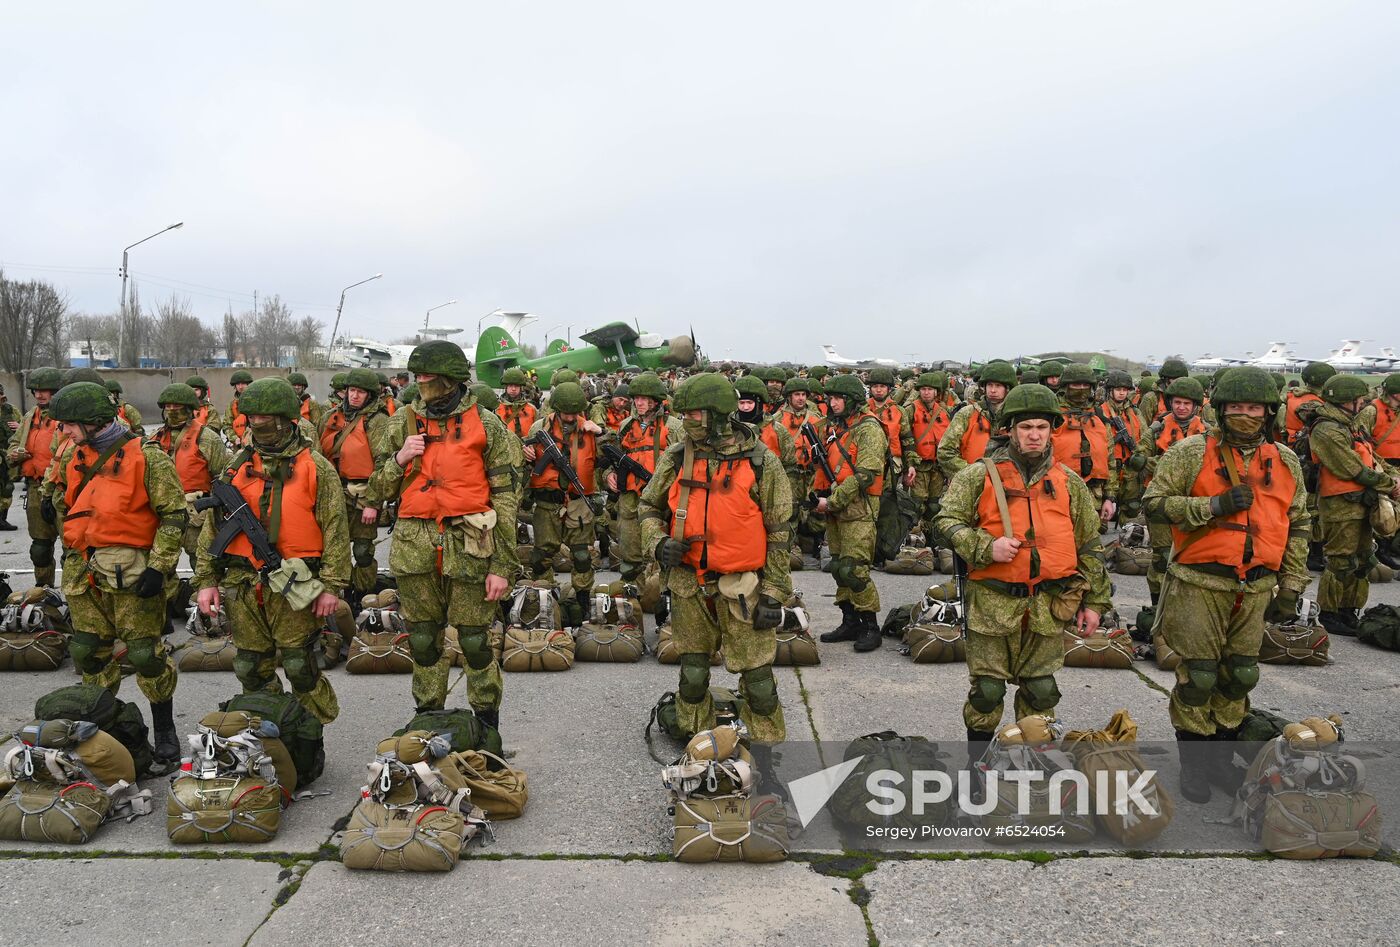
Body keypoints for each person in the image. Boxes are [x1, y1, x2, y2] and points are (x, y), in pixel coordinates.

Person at [1142, 367, 1309, 802]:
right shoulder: (1190, 452)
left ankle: (1221, 758)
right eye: (1236, 407)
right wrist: (1211, 505)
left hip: (1255, 587)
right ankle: (1194, 765)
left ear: (1269, 412)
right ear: (1220, 410)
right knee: (1198, 677)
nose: (1245, 415)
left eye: (1254, 408)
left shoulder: (1286, 460)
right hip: (1200, 581)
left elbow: (1299, 523)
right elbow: (1155, 505)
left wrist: (1290, 585)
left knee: (1240, 675)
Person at [936, 384, 1111, 740]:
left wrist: (1095, 603)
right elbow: (945, 521)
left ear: (1051, 431)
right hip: (991, 603)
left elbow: (1090, 546)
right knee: (987, 693)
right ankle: (977, 769)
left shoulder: (1069, 483)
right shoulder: (979, 475)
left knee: (1041, 692)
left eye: (1042, 428)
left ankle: (1030, 764)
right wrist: (984, 547)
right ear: (1010, 430)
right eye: (1026, 427)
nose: (1034, 435)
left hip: (1049, 605)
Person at [367, 341, 518, 724]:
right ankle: (428, 718)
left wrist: (502, 566)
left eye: (428, 377)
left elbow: (506, 500)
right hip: (414, 543)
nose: (421, 384)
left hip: (471, 542)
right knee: (423, 640)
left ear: (450, 379)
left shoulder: (486, 423)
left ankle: (486, 724)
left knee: (474, 641)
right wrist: (401, 458)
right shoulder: (401, 421)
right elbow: (377, 488)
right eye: (417, 377)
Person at [638, 374, 792, 747]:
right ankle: (698, 748)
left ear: (718, 415)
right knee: (692, 675)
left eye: (694, 413)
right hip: (689, 583)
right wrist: (658, 543)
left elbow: (780, 529)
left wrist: (774, 591)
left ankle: (768, 753)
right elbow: (647, 506)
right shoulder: (677, 457)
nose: (687, 420)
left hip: (743, 585)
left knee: (758, 681)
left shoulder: (761, 461)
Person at [195, 378, 346, 725]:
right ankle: (267, 728)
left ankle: (308, 735)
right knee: (250, 665)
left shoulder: (316, 468)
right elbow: (212, 530)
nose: (258, 425)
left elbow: (336, 531)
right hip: (241, 582)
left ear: (287, 420)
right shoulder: (235, 467)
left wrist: (332, 588)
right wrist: (205, 580)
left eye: (267, 418)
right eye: (253, 418)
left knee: (299, 665)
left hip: (294, 581)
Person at [49, 382, 187, 762]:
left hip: (133, 571)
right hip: (83, 569)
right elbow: (66, 499)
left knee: (144, 655)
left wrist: (159, 568)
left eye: (69, 424)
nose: (64, 432)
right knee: (89, 652)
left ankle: (165, 730)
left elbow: (174, 514)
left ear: (93, 422)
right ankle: (104, 729)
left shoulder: (148, 456)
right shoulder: (72, 454)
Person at [1302, 374, 1400, 636]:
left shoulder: (1349, 425)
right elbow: (1352, 469)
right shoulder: (1326, 429)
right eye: (1358, 400)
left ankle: (1349, 609)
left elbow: (1372, 456)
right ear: (1347, 401)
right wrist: (1390, 485)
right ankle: (1330, 612)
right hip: (1340, 506)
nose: (1362, 403)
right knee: (1340, 560)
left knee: (1363, 560)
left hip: (1361, 503)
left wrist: (1393, 475)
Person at [813, 373, 887, 652]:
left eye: (838, 398)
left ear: (853, 401)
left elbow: (867, 474)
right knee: (838, 568)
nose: (832, 403)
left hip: (860, 509)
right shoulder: (834, 428)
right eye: (830, 398)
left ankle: (870, 625)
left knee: (854, 570)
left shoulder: (869, 429)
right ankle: (850, 620)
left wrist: (833, 500)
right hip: (837, 508)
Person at [524, 381, 602, 621]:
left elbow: (609, 458)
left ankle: (582, 603)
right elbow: (525, 459)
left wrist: (601, 434)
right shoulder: (540, 427)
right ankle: (545, 599)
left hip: (579, 502)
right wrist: (525, 454)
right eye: (566, 412)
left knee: (581, 556)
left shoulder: (589, 429)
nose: (570, 417)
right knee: (541, 556)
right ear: (556, 409)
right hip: (547, 503)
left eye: (574, 412)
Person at [318, 368, 393, 604]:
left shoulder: (378, 421)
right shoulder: (330, 417)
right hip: (331, 494)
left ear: (370, 394)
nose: (355, 396)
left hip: (362, 495)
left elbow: (384, 464)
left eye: (360, 392)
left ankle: (363, 597)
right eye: (351, 390)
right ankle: (336, 593)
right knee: (331, 549)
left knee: (362, 551)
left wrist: (374, 503)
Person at [146, 383, 229, 593]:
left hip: (196, 512)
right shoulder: (154, 438)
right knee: (161, 566)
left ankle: (208, 608)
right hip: (162, 514)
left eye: (178, 405)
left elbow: (221, 477)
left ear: (190, 408)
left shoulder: (207, 437)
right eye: (168, 405)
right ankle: (170, 605)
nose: (172, 409)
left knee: (203, 563)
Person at [602, 372, 680, 590]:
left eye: (645, 399)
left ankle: (661, 607)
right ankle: (631, 609)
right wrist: (609, 474)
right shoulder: (626, 425)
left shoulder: (673, 427)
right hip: (630, 499)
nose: (640, 403)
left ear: (656, 401)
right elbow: (614, 459)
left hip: (661, 501)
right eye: (636, 398)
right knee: (629, 558)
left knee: (664, 555)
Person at [1139, 377, 1209, 619]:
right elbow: (1138, 459)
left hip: (1194, 504)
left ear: (1196, 406)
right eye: (1177, 402)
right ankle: (1159, 607)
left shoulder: (1208, 432)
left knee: (1193, 556)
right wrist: (1166, 464)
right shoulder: (1157, 428)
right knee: (1162, 557)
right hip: (1161, 502)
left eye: (1186, 404)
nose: (1181, 407)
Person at [5, 367, 63, 584]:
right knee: (40, 549)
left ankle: (81, 603)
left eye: (44, 391)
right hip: (35, 489)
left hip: (62, 490)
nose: (39, 395)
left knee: (74, 551)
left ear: (56, 391)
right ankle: (44, 592)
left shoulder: (67, 417)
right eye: (35, 391)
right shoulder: (30, 416)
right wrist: (15, 453)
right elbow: (13, 443)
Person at [1053, 363, 1116, 523]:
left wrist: (1109, 498)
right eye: (1076, 385)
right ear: (1065, 386)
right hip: (1058, 495)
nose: (1081, 389)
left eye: (1085, 385)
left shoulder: (1099, 417)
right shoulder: (1052, 416)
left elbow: (1110, 460)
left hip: (1095, 497)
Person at [902, 371, 954, 545]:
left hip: (938, 467)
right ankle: (912, 541)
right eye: (923, 389)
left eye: (930, 389)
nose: (926, 393)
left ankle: (933, 543)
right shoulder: (910, 410)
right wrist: (908, 465)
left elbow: (951, 441)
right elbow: (905, 438)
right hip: (918, 466)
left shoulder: (944, 412)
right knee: (916, 505)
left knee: (933, 506)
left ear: (936, 392)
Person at [938, 360, 1014, 476]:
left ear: (1007, 388)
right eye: (990, 385)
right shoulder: (967, 413)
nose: (993, 390)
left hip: (1007, 482)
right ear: (983, 387)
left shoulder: (1015, 417)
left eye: (998, 386)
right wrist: (973, 472)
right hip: (971, 481)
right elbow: (945, 451)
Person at [1358, 373, 1400, 568]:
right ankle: (1380, 548)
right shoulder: (1372, 410)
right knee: (1384, 508)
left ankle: (1392, 545)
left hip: (1396, 464)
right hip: (1380, 463)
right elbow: (1360, 438)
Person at [1102, 369, 1149, 520]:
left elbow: (1145, 436)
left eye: (1125, 390)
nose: (1122, 393)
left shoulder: (1134, 413)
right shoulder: (1100, 412)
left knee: (1131, 509)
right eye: (1118, 389)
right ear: (1110, 391)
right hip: (1108, 468)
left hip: (1131, 469)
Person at [1139, 357, 1190, 422]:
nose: (1179, 385)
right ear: (1166, 379)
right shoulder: (1151, 398)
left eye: (1181, 381)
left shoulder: (1189, 397)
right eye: (1175, 380)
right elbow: (1143, 426)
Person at [0, 383, 22, 531]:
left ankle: (2, 519)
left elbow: (25, 426)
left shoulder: (10, 410)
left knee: (7, 487)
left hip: (7, 454)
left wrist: (19, 425)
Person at [224, 369, 254, 441]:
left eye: (243, 383)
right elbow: (227, 425)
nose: (240, 387)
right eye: (238, 384)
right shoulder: (232, 405)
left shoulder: (256, 401)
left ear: (248, 384)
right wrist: (234, 438)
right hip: (238, 442)